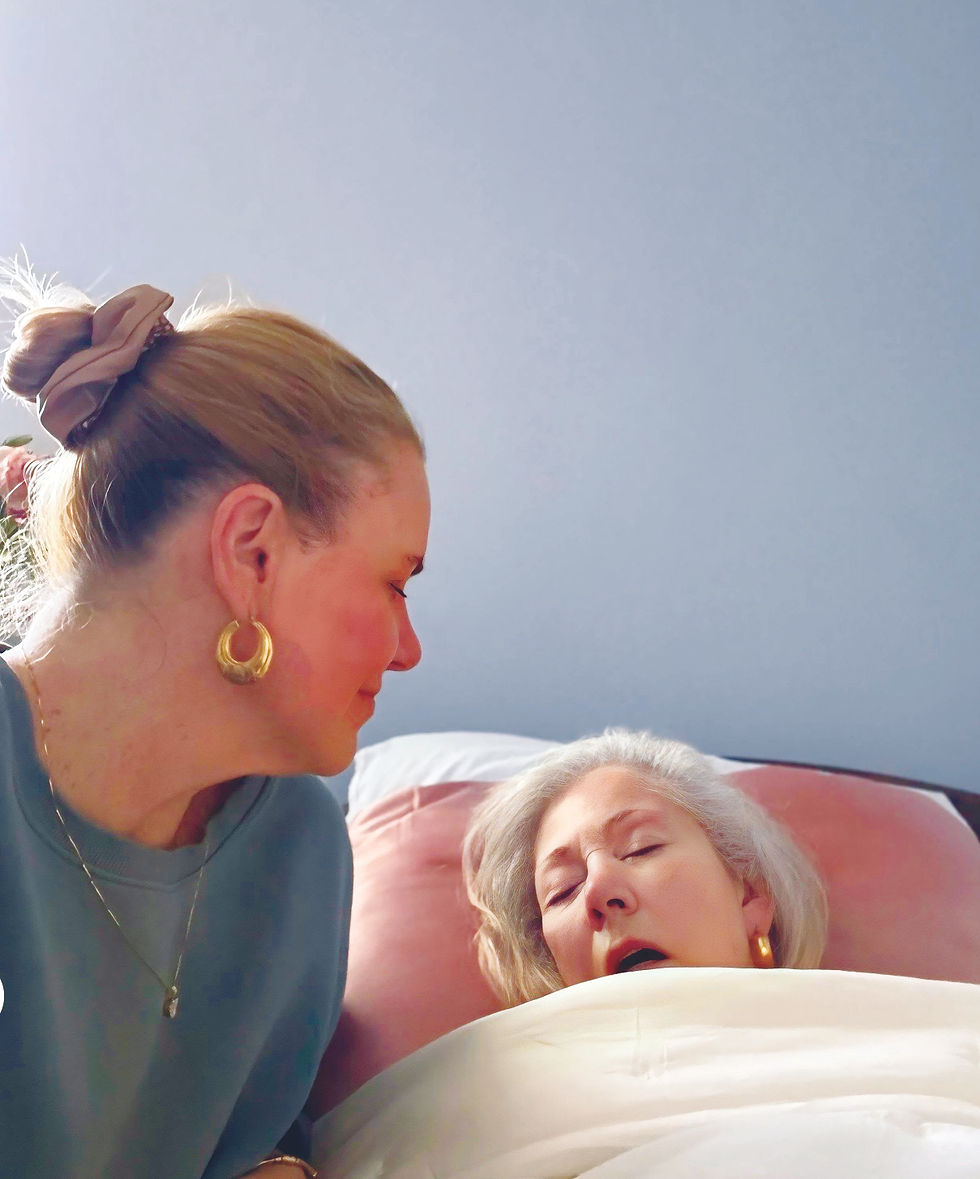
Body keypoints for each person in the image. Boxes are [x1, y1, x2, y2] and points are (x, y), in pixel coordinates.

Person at [0, 266, 430, 1179]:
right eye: (394, 582)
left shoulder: (299, 852)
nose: (408, 648)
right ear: (252, 550)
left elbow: (254, 1147)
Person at [463, 729, 827, 1006]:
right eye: (564, 890)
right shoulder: (486, 1093)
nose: (599, 890)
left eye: (640, 849)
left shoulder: (872, 1040)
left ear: (750, 895)